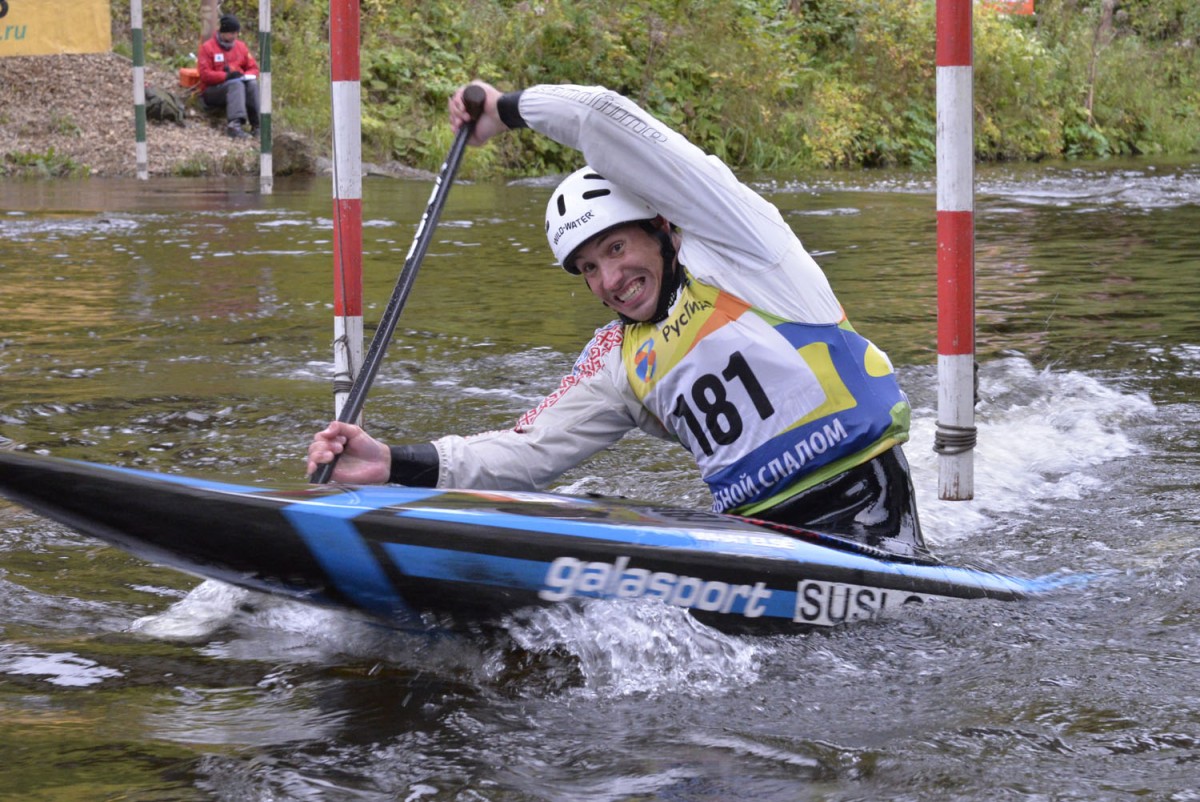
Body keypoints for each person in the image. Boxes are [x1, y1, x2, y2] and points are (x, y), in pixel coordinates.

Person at [307, 81, 927, 558]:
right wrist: (392, 462)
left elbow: (601, 116)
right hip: (756, 539)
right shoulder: (619, 358)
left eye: (615, 247)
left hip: (871, 522)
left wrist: (506, 109)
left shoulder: (742, 250)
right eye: (587, 267)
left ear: (662, 229)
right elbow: (528, 452)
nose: (608, 279)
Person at [196, 13, 259, 140]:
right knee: (236, 84)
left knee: (252, 84)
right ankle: (234, 126)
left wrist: (245, 76)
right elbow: (205, 75)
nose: (234, 36)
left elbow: (254, 68)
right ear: (223, 32)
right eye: (231, 33)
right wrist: (226, 76)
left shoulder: (241, 47)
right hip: (212, 91)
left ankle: (258, 125)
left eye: (236, 33)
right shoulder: (208, 48)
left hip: (237, 85)